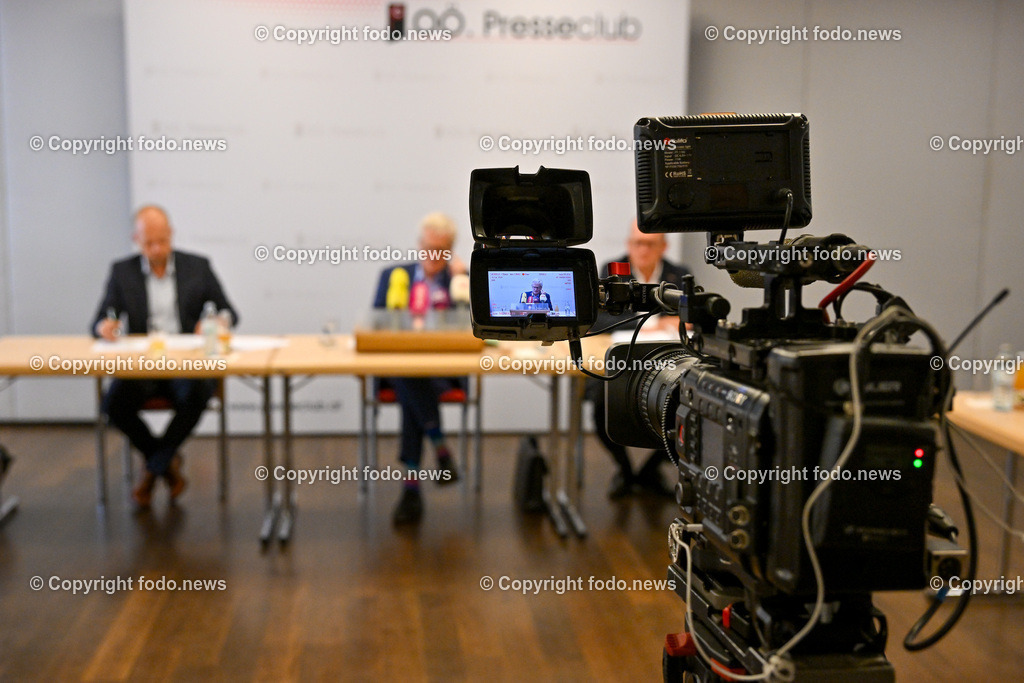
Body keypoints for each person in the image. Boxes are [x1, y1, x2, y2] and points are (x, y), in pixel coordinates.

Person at [91, 205, 238, 509]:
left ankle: (153, 469)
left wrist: (216, 323)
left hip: (187, 363)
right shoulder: (122, 271)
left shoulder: (198, 266)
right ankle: (164, 462)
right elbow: (99, 321)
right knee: (112, 404)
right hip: (145, 364)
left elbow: (229, 312)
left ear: (171, 235)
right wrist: (105, 327)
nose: (156, 249)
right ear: (136, 240)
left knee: (200, 389)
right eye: (148, 243)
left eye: (162, 241)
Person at [586, 219, 691, 499]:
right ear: (628, 245)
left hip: (668, 358)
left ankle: (648, 471)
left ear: (663, 247)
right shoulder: (611, 271)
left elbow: (691, 318)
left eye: (650, 244)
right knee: (599, 401)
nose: (642, 250)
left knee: (686, 405)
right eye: (637, 243)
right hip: (620, 357)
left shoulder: (679, 274)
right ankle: (625, 469)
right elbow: (597, 319)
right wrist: (648, 325)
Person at [372, 212, 465, 524]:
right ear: (419, 245)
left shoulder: (457, 281)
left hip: (442, 369)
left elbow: (471, 327)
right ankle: (439, 447)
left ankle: (412, 488)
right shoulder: (393, 275)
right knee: (407, 375)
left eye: (440, 250)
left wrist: (464, 281)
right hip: (399, 365)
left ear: (450, 251)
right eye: (427, 247)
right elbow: (376, 323)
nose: (432, 256)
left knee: (411, 387)